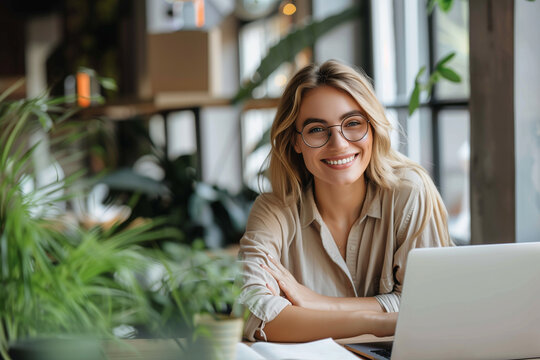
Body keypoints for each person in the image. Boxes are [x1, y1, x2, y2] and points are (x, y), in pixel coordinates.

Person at [237, 60, 452, 342]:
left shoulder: (409, 194)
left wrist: (319, 303)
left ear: (373, 128)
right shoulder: (275, 210)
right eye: (316, 129)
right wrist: (377, 322)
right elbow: (253, 312)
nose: (338, 144)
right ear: (295, 141)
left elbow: (432, 306)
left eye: (353, 123)